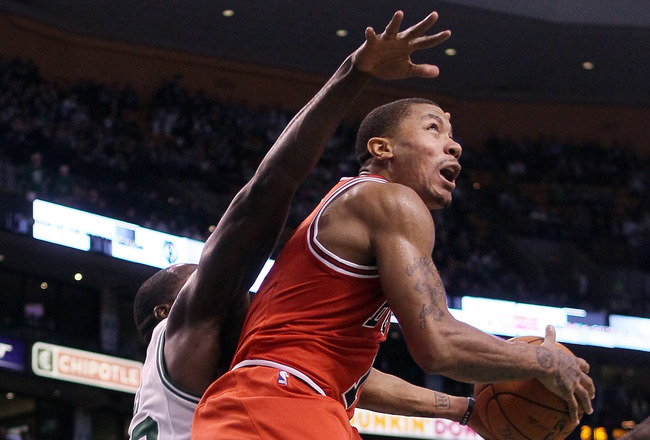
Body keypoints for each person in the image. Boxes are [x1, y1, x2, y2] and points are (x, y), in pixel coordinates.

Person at [192, 23, 596, 440]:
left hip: (285, 402)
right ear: (382, 148)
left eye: (453, 137)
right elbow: (437, 343)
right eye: (433, 128)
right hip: (280, 404)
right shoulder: (391, 201)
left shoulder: (356, 218)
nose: (454, 146)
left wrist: (465, 410)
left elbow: (354, 379)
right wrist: (544, 362)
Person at [129, 9, 492, 440]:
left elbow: (351, 379)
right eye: (216, 289)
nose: (243, 298)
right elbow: (263, 192)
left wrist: (462, 409)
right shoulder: (189, 327)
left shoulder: (197, 375)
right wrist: (354, 73)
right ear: (167, 313)